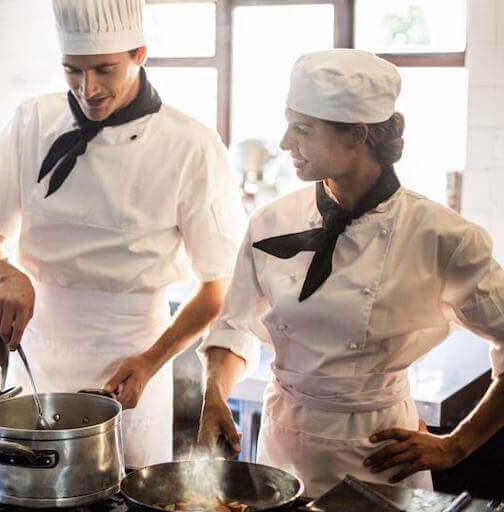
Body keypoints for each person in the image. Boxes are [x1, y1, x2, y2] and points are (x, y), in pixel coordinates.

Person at [197, 49, 504, 497]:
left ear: (357, 136)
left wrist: (457, 446)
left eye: (302, 129)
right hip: (282, 449)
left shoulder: (441, 237)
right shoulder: (272, 222)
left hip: (379, 457)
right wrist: (214, 394)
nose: (285, 143)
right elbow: (233, 328)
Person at [0, 0, 247, 468]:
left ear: (140, 54)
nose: (87, 89)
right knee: (27, 486)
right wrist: (7, 276)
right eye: (72, 71)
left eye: (104, 70)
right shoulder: (33, 120)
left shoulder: (190, 144)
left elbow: (217, 289)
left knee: (122, 487)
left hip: (132, 363)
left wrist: (152, 360)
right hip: (39, 355)